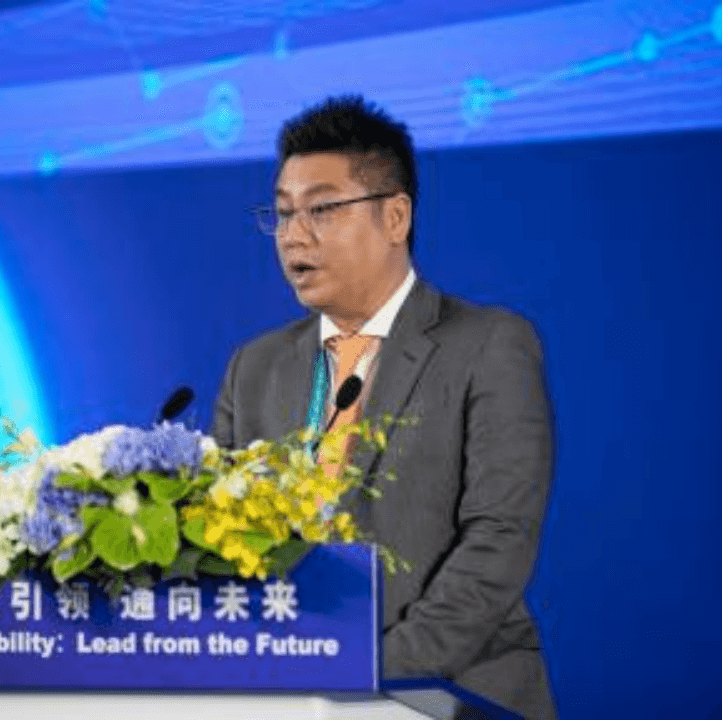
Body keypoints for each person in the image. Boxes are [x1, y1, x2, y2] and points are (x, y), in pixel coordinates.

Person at [210, 95, 557, 719]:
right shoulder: (254, 368)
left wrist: (363, 669)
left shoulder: (489, 345)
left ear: (395, 217)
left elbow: (498, 541)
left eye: (321, 209)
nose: (293, 235)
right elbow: (221, 542)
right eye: (283, 213)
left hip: (455, 696)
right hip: (290, 698)